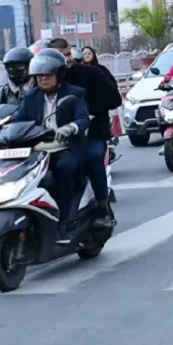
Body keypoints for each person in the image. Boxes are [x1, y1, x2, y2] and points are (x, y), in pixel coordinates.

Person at [12, 48, 90, 242]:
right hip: (38, 149)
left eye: (47, 75)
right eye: (39, 76)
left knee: (63, 169)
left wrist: (70, 128)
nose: (43, 80)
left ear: (59, 75)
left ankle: (64, 220)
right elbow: (18, 119)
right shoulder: (31, 97)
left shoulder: (74, 94)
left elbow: (83, 119)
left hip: (65, 146)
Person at [48, 39, 120, 229]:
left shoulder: (91, 74)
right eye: (61, 57)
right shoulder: (43, 81)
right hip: (56, 137)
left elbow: (114, 99)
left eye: (68, 55)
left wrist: (86, 111)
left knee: (92, 157)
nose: (66, 60)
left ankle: (102, 207)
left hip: (92, 132)